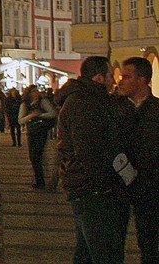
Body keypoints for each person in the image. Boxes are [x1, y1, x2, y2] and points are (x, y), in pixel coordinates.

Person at [57, 55, 135, 264]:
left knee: (87, 253)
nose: (115, 80)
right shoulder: (83, 103)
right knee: (106, 253)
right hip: (92, 190)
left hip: (90, 188)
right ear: (99, 78)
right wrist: (105, 185)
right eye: (111, 75)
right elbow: (89, 151)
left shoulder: (92, 100)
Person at [117, 57, 159, 264]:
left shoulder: (156, 110)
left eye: (126, 76)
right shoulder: (117, 110)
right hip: (120, 188)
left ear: (142, 80)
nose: (120, 81)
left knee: (150, 243)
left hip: (150, 188)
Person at [18, 85, 58, 189]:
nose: (36, 93)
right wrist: (31, 116)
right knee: (33, 156)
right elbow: (21, 120)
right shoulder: (25, 104)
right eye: (33, 91)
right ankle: (39, 178)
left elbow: (53, 113)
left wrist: (40, 115)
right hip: (32, 131)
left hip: (41, 130)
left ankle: (40, 181)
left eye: (37, 91)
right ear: (29, 93)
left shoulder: (43, 101)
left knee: (37, 155)